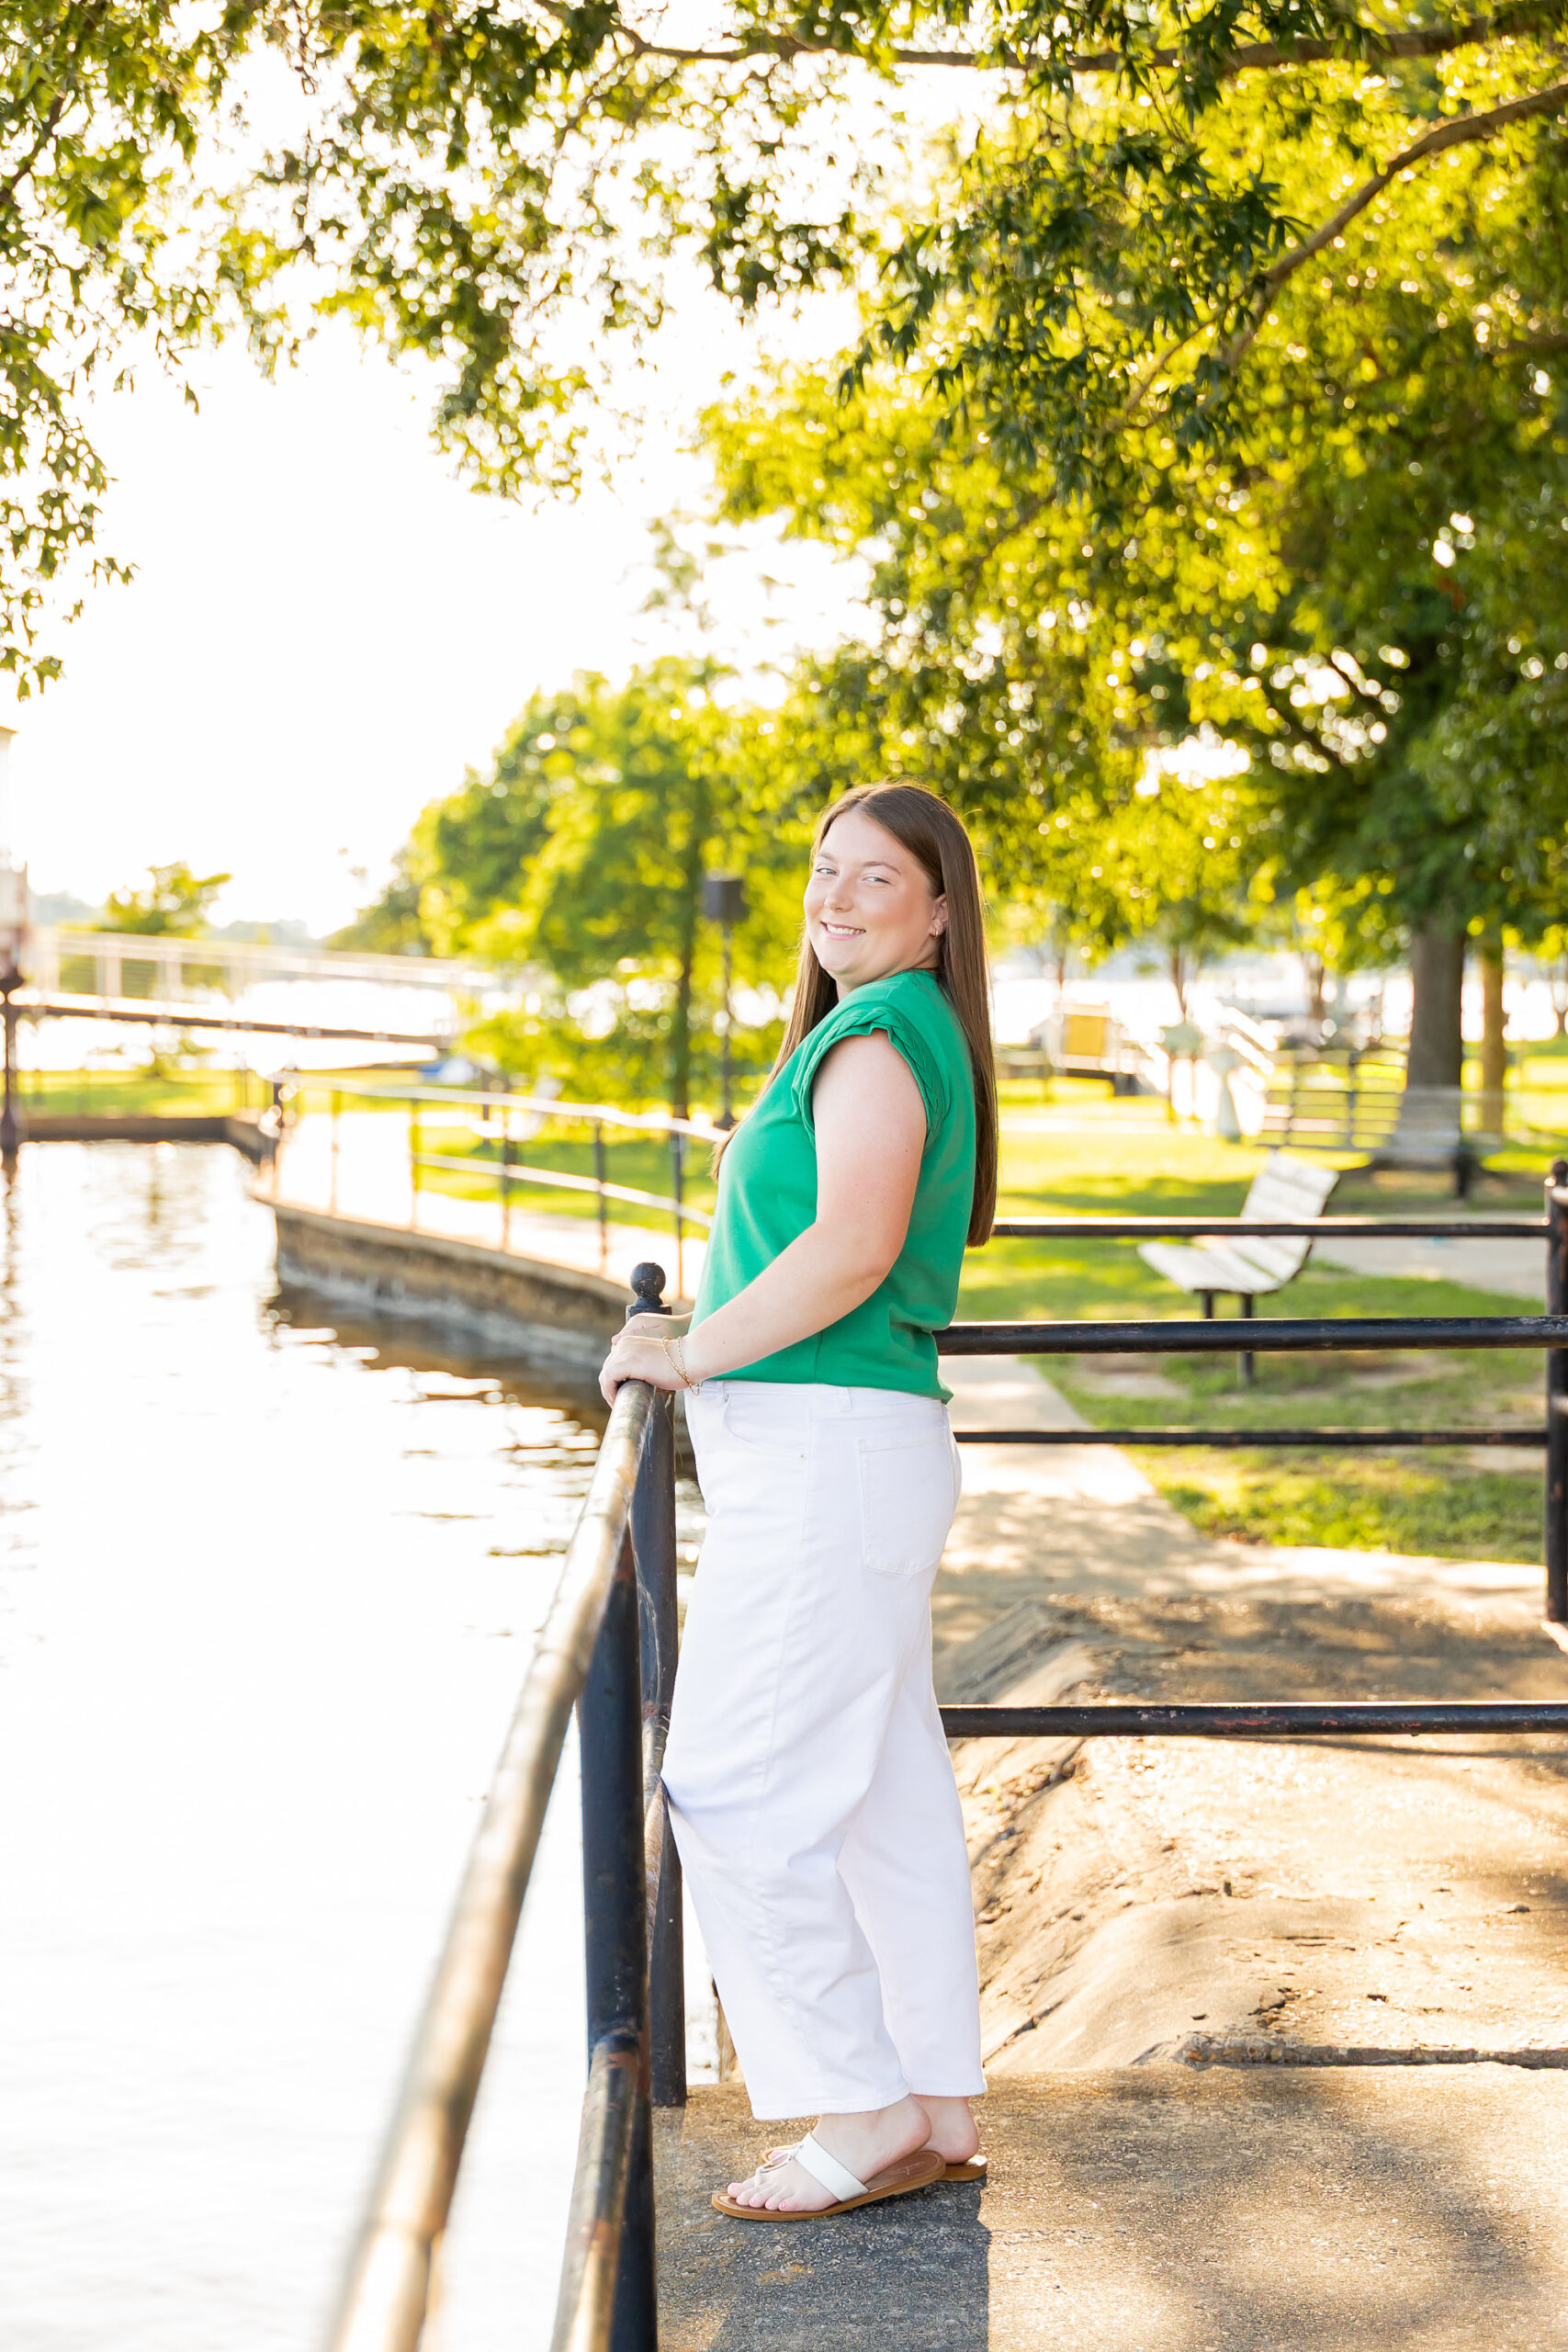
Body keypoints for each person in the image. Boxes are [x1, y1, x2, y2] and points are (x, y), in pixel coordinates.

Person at [599, 781, 998, 2221]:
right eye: (826, 872)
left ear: (939, 908)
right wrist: (704, 1340)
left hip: (830, 1454)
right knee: (883, 1793)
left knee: (733, 1790)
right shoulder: (883, 1029)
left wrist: (683, 1347)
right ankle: (935, 2100)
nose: (837, 899)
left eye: (876, 880)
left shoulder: (886, 1034)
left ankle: (863, 2102)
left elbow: (848, 1248)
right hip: (847, 1451)